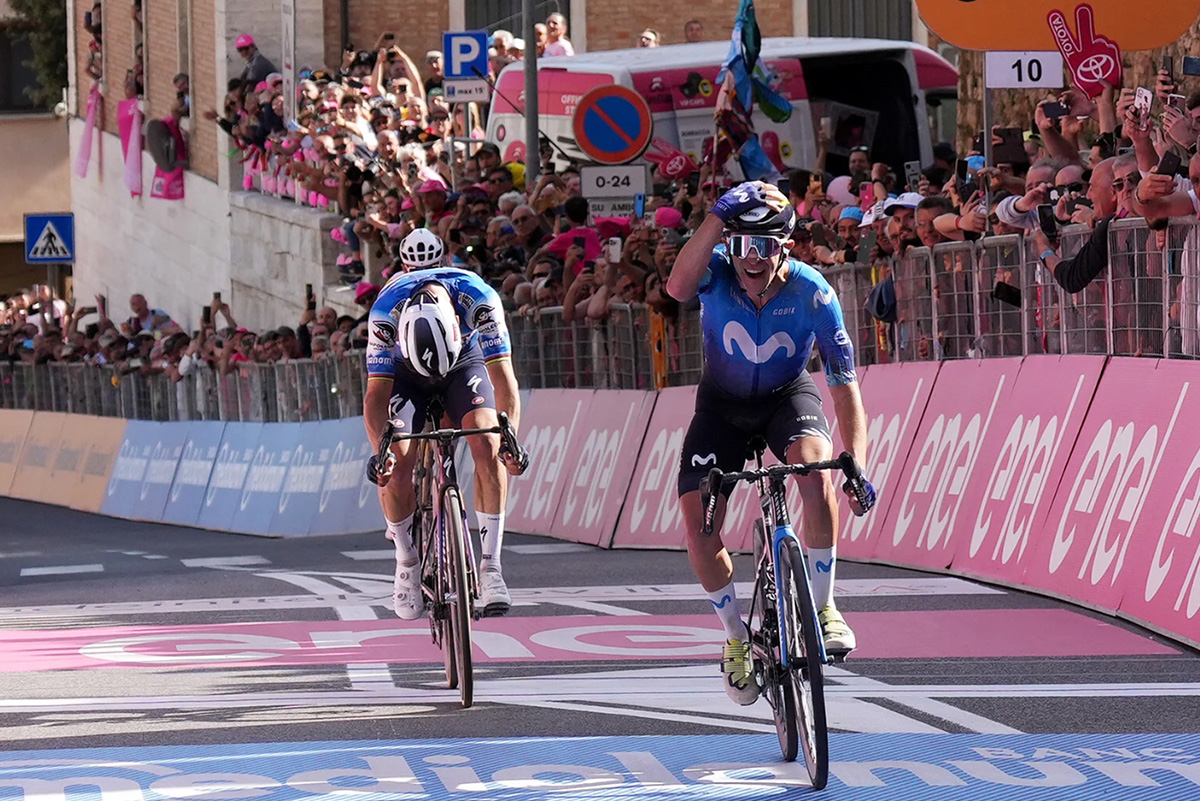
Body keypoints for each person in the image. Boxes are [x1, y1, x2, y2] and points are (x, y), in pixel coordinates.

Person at [665, 181, 877, 706]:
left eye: (764, 246)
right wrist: (717, 218)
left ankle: (825, 608)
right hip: (721, 407)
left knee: (815, 471)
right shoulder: (714, 274)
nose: (751, 259)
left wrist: (856, 467)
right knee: (700, 525)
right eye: (740, 245)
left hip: (787, 398)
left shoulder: (813, 293)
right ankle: (737, 638)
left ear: (786, 244)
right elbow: (674, 288)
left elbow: (845, 390)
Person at [363, 261, 528, 621]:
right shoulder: (384, 315)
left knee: (487, 441)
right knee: (398, 457)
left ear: (456, 323)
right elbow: (375, 397)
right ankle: (406, 561)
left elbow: (504, 379)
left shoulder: (480, 301)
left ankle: (491, 568)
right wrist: (382, 452)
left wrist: (509, 437)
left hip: (462, 362)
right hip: (405, 372)